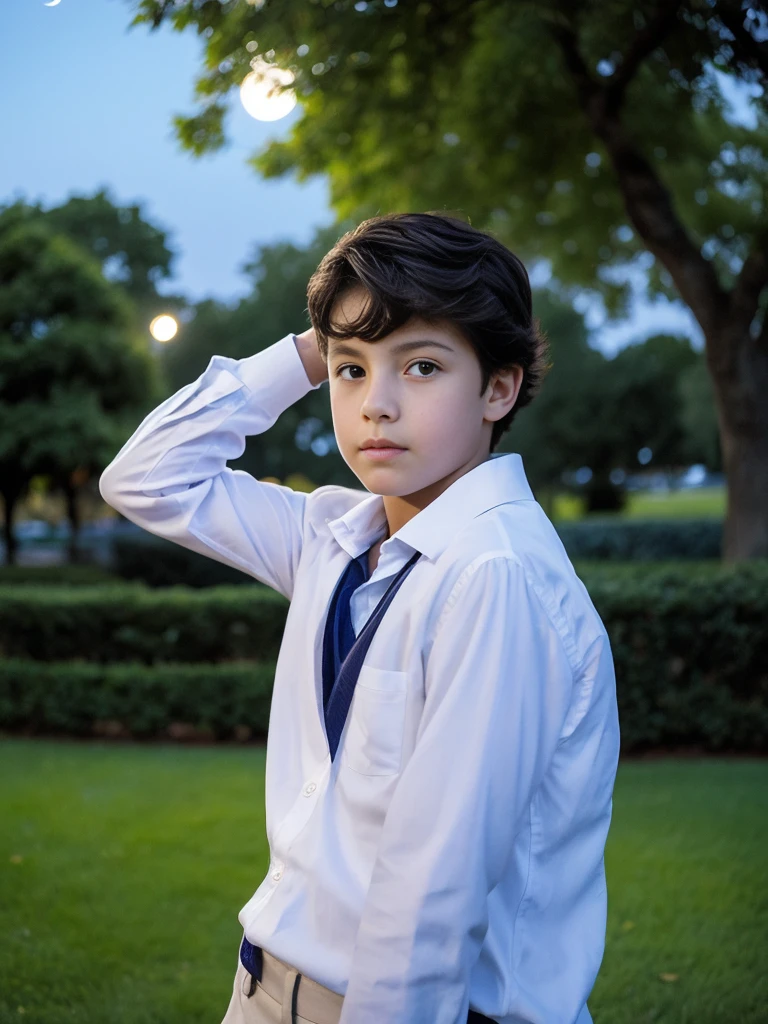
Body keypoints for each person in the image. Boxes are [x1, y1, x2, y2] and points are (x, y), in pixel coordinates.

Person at [99, 212, 620, 1024]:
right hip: (265, 988)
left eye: (419, 365)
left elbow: (431, 898)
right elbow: (146, 480)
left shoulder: (497, 575)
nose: (375, 404)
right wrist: (317, 344)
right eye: (351, 371)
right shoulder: (333, 537)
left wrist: (357, 330)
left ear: (498, 387)